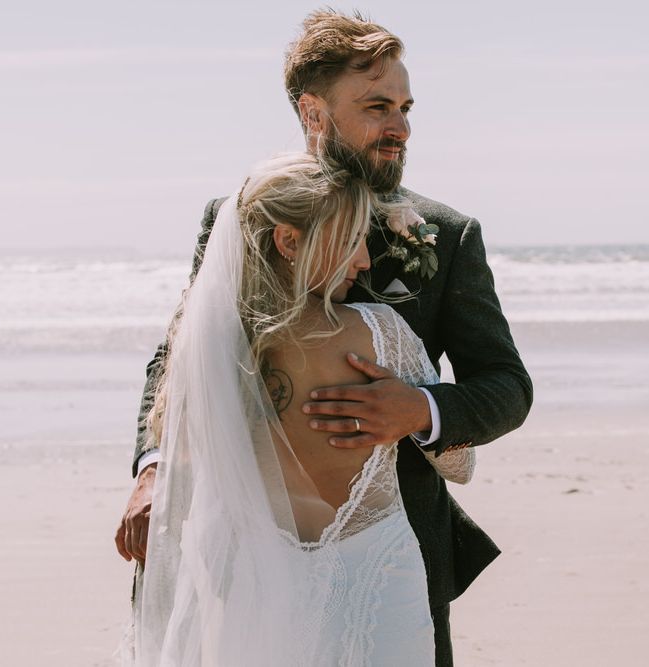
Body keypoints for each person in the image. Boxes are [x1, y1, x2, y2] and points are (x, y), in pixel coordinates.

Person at [115, 10, 532, 666]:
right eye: (375, 106)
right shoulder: (237, 217)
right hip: (246, 552)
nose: (398, 125)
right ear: (312, 112)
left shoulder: (444, 234)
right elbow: (181, 353)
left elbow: (505, 386)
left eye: (403, 106)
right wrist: (154, 469)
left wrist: (421, 410)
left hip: (392, 556)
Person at [120, 152, 476, 666]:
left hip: (256, 590)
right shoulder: (381, 335)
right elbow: (460, 465)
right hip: (380, 586)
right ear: (289, 241)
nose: (365, 261)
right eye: (352, 239)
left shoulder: (209, 357)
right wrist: (416, 413)